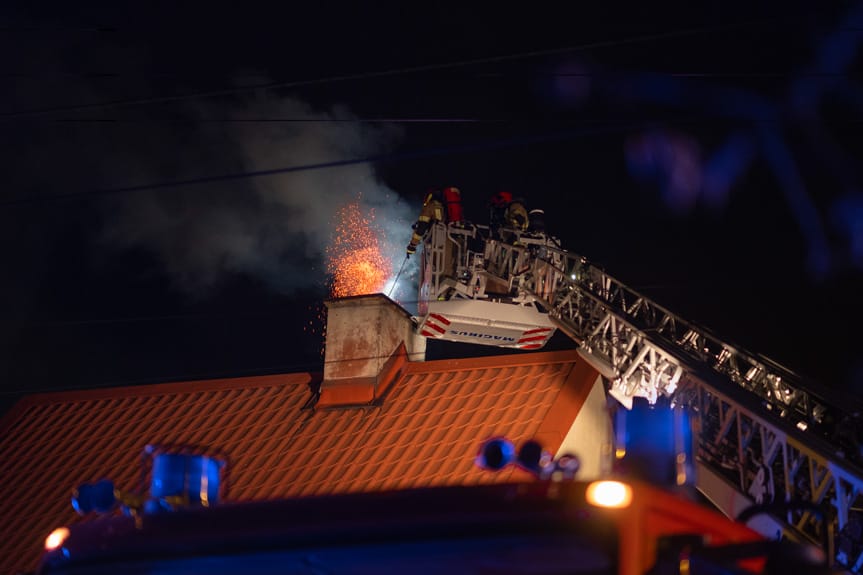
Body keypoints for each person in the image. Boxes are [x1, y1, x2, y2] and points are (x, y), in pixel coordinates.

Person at [406, 189, 444, 256]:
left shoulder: (429, 207)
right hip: (444, 241)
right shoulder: (441, 206)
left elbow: (421, 229)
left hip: (433, 242)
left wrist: (411, 246)